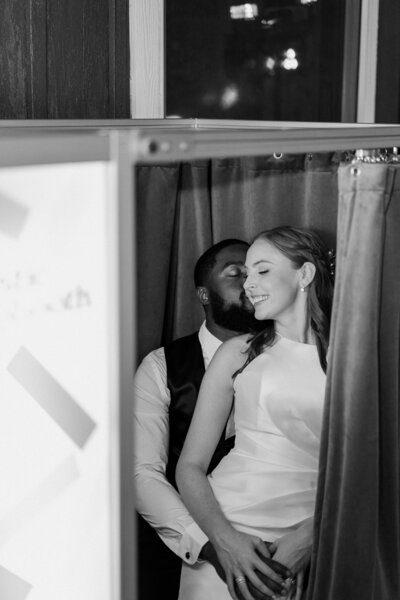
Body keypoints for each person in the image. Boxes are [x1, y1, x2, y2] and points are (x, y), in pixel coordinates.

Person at [176, 226, 334, 600]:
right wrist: (225, 543)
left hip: (314, 540)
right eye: (245, 273)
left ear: (305, 274)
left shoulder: (352, 356)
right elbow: (190, 466)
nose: (249, 284)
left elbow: (377, 471)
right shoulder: (238, 352)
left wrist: (312, 537)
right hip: (229, 532)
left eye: (262, 270)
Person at [134, 239, 285, 600]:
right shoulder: (160, 367)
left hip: (280, 546)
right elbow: (142, 474)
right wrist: (213, 547)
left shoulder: (295, 358)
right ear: (204, 294)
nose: (250, 283)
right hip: (186, 557)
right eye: (236, 273)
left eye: (257, 272)